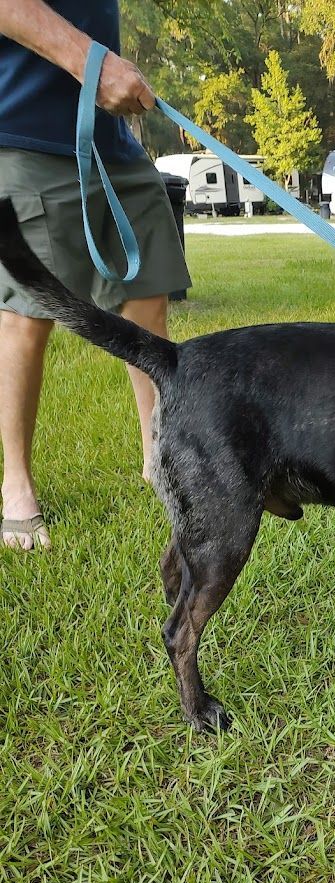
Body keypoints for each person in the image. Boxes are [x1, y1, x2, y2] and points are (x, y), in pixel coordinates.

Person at [0, 0, 191, 550]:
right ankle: (16, 484)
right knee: (27, 314)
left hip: (111, 140)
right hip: (24, 130)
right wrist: (93, 63)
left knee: (147, 298)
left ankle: (160, 458)